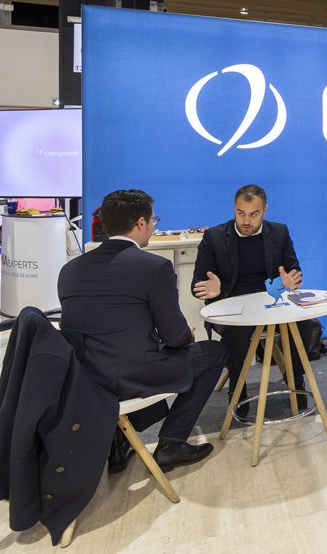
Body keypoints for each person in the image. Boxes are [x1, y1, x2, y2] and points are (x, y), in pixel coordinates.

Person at [58, 189, 227, 471]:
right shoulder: (155, 266)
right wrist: (186, 334)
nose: (153, 227)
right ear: (140, 223)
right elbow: (175, 337)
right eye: (153, 220)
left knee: (147, 353)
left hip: (84, 379)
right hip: (129, 378)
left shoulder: (69, 270)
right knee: (215, 353)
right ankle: (172, 444)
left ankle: (119, 441)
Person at [192, 184, 309, 415]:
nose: (246, 221)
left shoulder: (279, 232)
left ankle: (296, 378)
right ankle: (238, 386)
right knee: (235, 332)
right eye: (241, 213)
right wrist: (212, 290)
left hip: (270, 302)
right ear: (234, 209)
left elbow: (294, 272)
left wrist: (291, 281)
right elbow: (197, 283)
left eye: (253, 214)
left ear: (264, 210)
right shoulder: (214, 237)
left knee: (303, 323)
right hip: (232, 304)